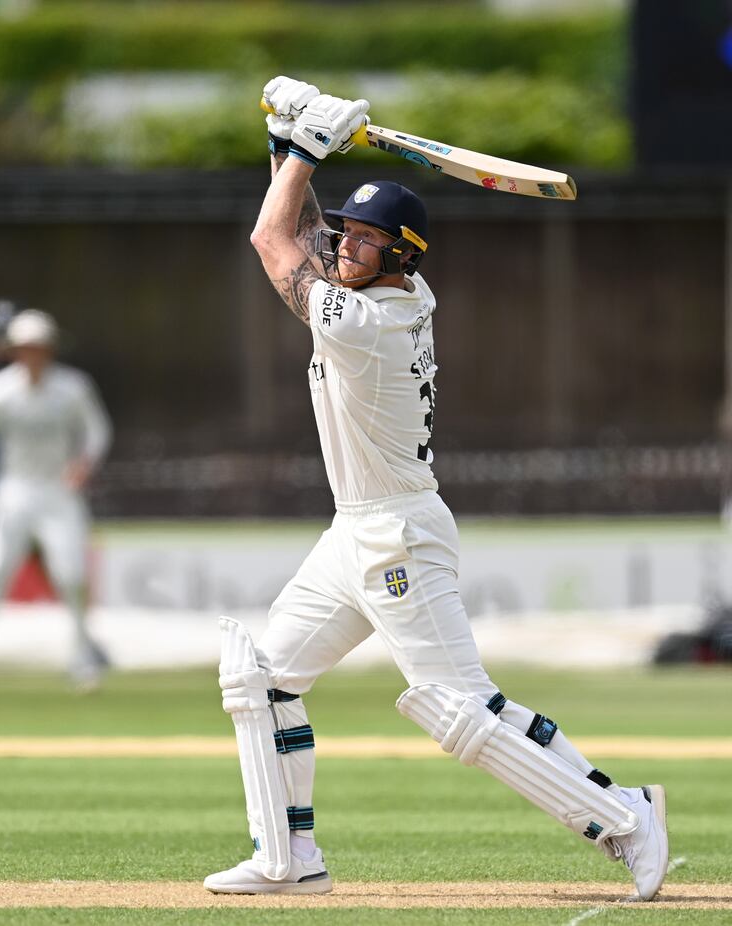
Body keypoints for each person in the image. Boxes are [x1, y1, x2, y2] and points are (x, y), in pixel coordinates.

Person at [203, 77, 669, 899]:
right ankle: (288, 860)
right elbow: (302, 229)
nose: (343, 247)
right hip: (355, 532)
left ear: (403, 254)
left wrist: (309, 152)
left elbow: (274, 243)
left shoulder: (370, 326)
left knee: (458, 710)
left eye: (363, 240)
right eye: (345, 235)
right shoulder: (381, 291)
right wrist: (283, 137)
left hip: (399, 537)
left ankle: (626, 817)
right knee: (262, 677)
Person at [0, 310, 113, 692]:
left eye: (38, 348)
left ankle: (84, 658)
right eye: (24, 348)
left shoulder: (73, 387)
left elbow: (97, 431)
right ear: (15, 351)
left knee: (70, 573)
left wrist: (83, 464)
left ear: (49, 349)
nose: (32, 355)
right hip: (13, 493)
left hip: (58, 492)